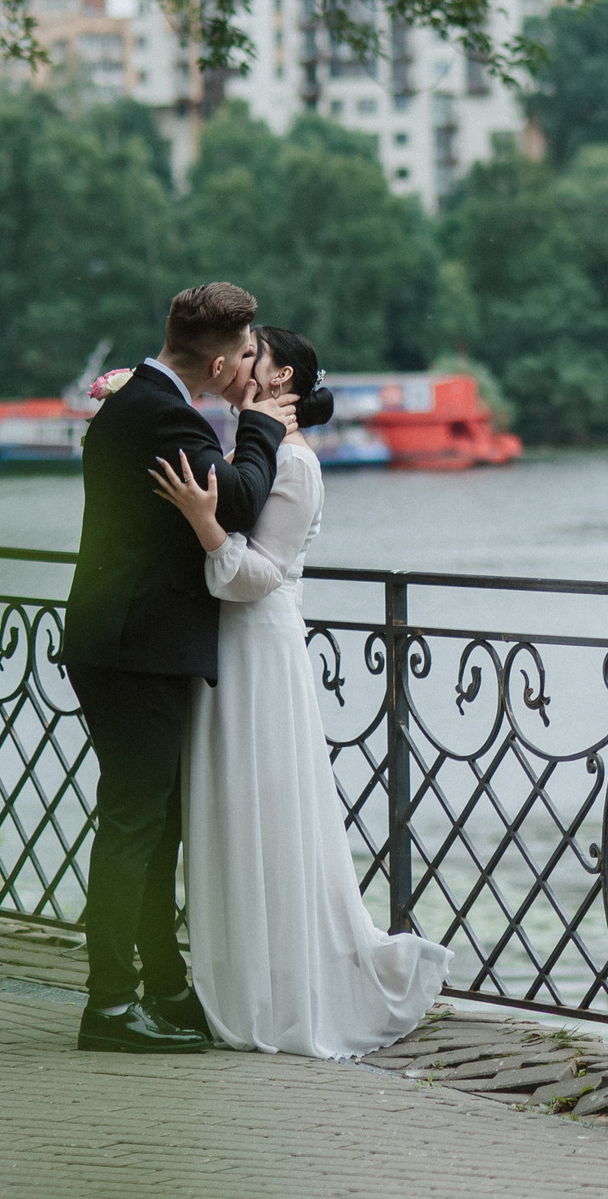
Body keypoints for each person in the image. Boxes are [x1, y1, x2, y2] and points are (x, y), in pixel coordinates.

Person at [148, 324, 453, 1057]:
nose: (237, 361)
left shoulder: (296, 464)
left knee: (269, 807)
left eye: (253, 353)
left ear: (280, 376)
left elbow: (259, 574)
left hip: (260, 647)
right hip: (224, 645)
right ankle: (242, 972)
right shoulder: (247, 446)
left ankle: (284, 990)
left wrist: (200, 521)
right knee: (227, 808)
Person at [64, 283, 298, 1054]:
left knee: (153, 822)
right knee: (135, 823)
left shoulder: (134, 399)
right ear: (224, 359)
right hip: (138, 647)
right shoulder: (164, 413)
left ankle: (161, 988)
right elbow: (233, 502)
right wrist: (260, 427)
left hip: (121, 640)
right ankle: (109, 1004)